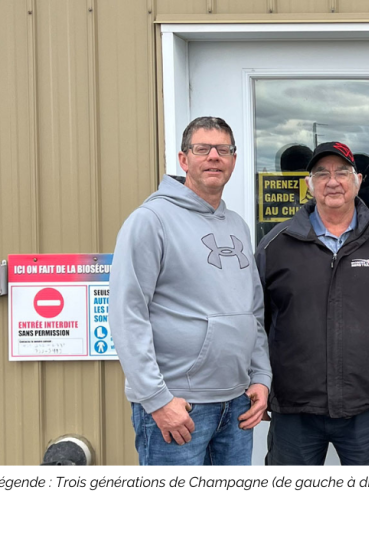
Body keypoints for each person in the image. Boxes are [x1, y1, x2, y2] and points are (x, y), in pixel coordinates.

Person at [110, 117, 271, 466]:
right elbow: (127, 314)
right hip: (178, 406)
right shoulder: (150, 220)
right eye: (203, 149)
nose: (214, 156)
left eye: (223, 150)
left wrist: (261, 376)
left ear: (233, 159)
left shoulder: (238, 225)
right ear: (184, 160)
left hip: (237, 402)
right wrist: (156, 399)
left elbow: (252, 312)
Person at [256, 141, 369, 466]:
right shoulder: (275, 245)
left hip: (367, 408)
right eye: (322, 173)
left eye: (342, 172)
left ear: (358, 180)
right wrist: (258, 381)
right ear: (309, 184)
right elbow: (254, 321)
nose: (333, 181)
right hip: (293, 409)